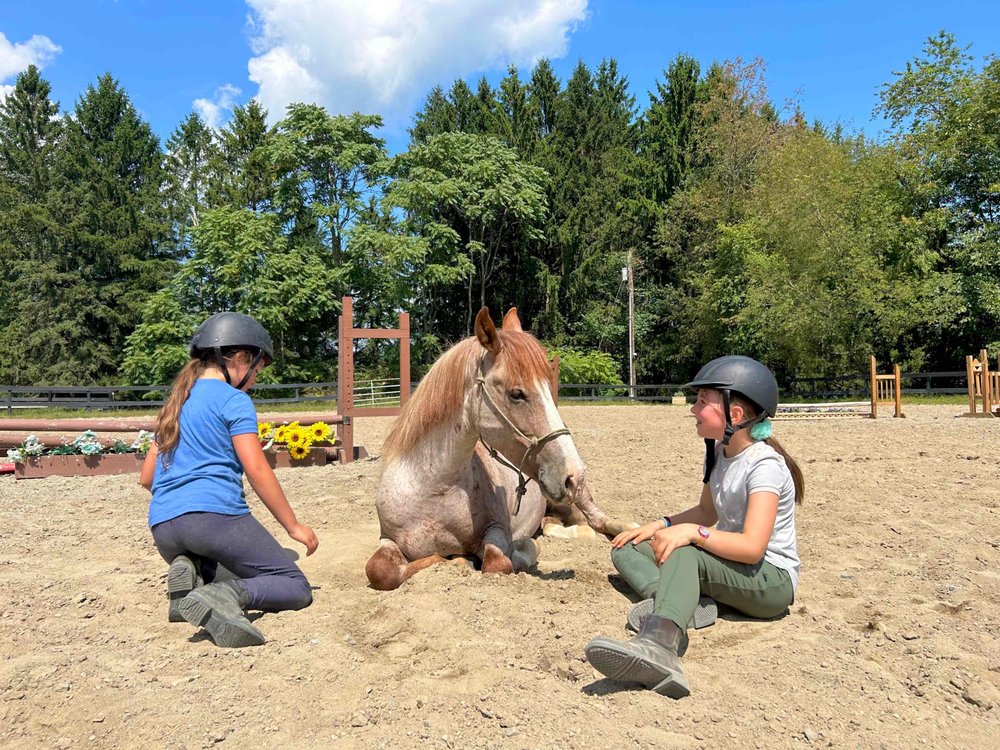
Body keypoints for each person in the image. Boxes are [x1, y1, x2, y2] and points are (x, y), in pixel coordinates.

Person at [584, 355, 803, 698]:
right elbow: (705, 512)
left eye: (702, 401)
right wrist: (659, 525)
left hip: (770, 580)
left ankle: (660, 646)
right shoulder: (718, 450)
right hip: (733, 564)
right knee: (627, 546)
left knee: (684, 551)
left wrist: (691, 535)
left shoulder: (765, 466)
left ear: (735, 414)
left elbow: (752, 547)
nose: (692, 409)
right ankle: (676, 602)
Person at [140, 312, 319, 648]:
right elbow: (257, 469)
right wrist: (293, 527)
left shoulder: (175, 403)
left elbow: (146, 477)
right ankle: (223, 594)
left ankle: (195, 572)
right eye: (255, 372)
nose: (254, 381)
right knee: (295, 586)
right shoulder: (235, 400)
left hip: (163, 527)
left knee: (227, 562)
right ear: (238, 359)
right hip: (213, 519)